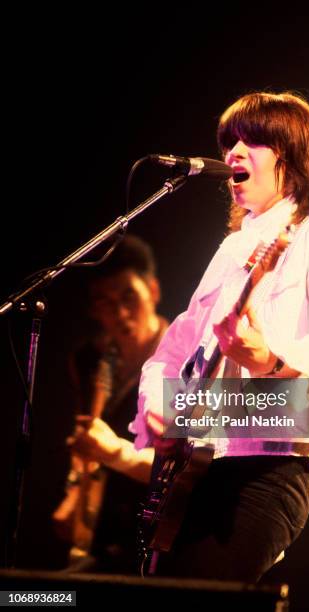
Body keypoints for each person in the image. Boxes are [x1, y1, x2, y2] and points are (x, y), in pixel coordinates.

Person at [126, 91, 309, 583]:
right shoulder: (232, 249)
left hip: (267, 470)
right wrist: (158, 406)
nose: (232, 154)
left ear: (291, 156)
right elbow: (173, 351)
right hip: (195, 471)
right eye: (228, 143)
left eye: (250, 142)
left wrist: (270, 361)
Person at [52, 234, 168, 574]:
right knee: (24, 597)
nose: (119, 312)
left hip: (161, 542)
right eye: (105, 301)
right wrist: (74, 497)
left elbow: (185, 469)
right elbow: (88, 442)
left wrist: (115, 452)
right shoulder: (90, 360)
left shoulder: (186, 360)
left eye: (128, 296)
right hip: (105, 536)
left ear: (153, 291)